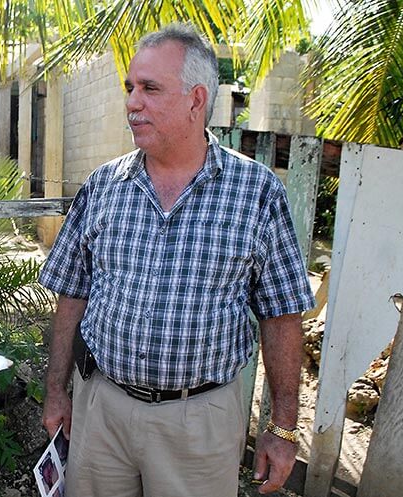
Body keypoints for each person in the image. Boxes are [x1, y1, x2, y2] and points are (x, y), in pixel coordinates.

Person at [39, 24, 315, 497]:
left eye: (149, 88)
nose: (131, 102)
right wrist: (56, 389)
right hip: (101, 409)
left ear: (195, 99)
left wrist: (283, 427)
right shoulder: (103, 186)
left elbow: (282, 314)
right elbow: (73, 294)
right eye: (130, 88)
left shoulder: (256, 192)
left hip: (200, 424)